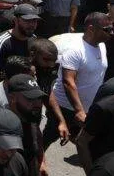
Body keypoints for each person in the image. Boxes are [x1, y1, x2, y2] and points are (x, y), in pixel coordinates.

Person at [47, 12, 110, 145]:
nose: (112, 32)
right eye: (107, 29)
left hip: (87, 109)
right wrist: (79, 110)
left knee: (86, 145)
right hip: (65, 108)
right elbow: (68, 82)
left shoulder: (102, 46)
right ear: (91, 28)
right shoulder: (75, 50)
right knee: (46, 140)